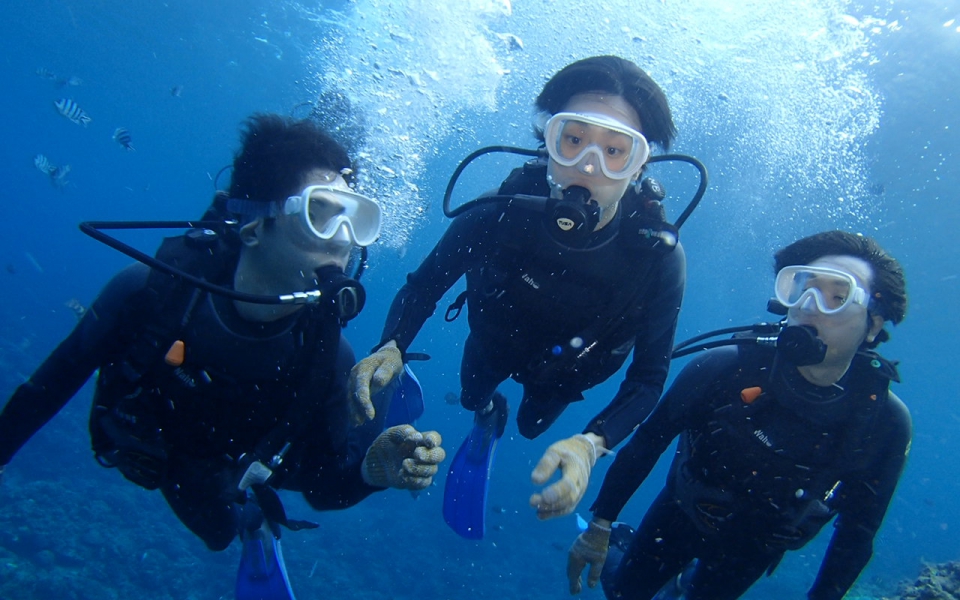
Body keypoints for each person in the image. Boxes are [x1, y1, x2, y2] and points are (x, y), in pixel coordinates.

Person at [0, 114, 445, 554]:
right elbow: (44, 392)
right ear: (253, 226)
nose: (342, 240)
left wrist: (370, 472)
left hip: (223, 465)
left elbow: (322, 486)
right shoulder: (150, 294)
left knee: (220, 534)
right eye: (319, 214)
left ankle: (260, 511)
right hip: (146, 439)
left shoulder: (326, 355)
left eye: (354, 220)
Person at [349, 54, 685, 529]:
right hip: (492, 343)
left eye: (615, 151)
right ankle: (487, 412)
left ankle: (506, 417)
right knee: (472, 397)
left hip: (565, 374)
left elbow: (648, 379)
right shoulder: (498, 213)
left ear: (639, 166)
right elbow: (424, 286)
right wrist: (392, 344)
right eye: (573, 140)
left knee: (532, 427)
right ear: (548, 141)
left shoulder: (657, 257)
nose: (589, 167)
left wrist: (592, 443)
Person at [567, 231, 910, 600]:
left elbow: (858, 530)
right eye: (803, 289)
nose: (809, 307)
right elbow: (648, 442)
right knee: (623, 594)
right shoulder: (725, 368)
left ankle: (681, 584)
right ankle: (624, 543)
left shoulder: (885, 422)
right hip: (679, 516)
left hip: (753, 549)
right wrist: (600, 526)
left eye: (838, 298)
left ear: (873, 325)